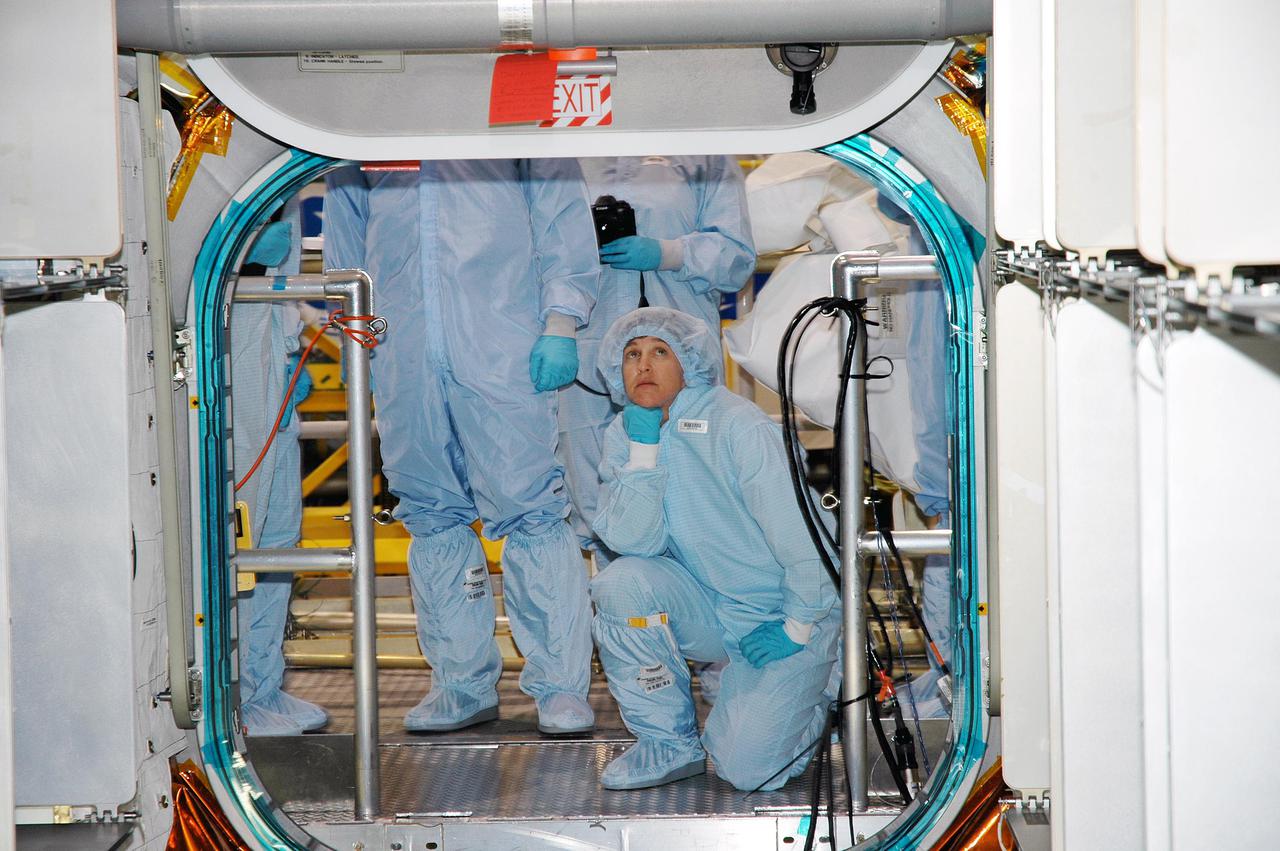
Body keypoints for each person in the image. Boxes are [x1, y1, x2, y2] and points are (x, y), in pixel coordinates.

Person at [323, 159, 601, 735]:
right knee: (431, 513)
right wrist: (356, 333)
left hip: (504, 344)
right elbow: (346, 242)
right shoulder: (365, 127)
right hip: (402, 352)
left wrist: (561, 322)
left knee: (531, 509)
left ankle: (560, 688)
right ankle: (461, 683)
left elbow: (560, 219)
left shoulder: (506, 108)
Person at [588, 307, 839, 791]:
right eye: (631, 354)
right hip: (709, 605)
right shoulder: (625, 433)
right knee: (619, 584)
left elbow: (805, 533)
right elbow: (633, 542)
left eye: (660, 352)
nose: (643, 366)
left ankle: (815, 694)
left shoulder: (737, 425)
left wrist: (800, 622)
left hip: (782, 615)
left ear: (689, 362)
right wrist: (645, 454)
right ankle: (668, 743)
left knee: (747, 771)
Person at [558, 156, 755, 562]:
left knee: (693, 489)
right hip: (583, 358)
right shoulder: (562, 152)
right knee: (594, 503)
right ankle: (618, 613)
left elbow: (737, 259)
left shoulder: (702, 154)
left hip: (682, 360)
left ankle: (692, 610)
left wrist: (669, 252)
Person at [232, 210, 328, 736]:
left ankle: (263, 687)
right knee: (245, 531)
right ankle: (238, 695)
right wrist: (244, 249)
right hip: (240, 339)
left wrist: (289, 351)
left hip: (269, 341)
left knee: (277, 535)